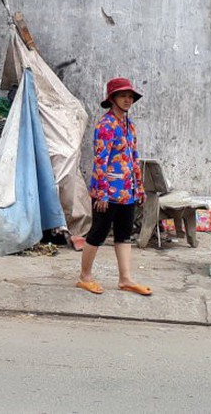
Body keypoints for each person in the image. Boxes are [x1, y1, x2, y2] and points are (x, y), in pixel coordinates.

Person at [77, 77, 152, 296]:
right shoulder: (106, 125)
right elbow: (101, 159)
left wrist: (138, 187)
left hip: (127, 191)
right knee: (98, 234)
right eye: (123, 96)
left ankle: (125, 279)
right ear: (112, 99)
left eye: (130, 96)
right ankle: (84, 276)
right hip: (107, 193)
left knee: (124, 234)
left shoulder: (130, 126)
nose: (128, 100)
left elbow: (133, 157)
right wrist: (101, 192)